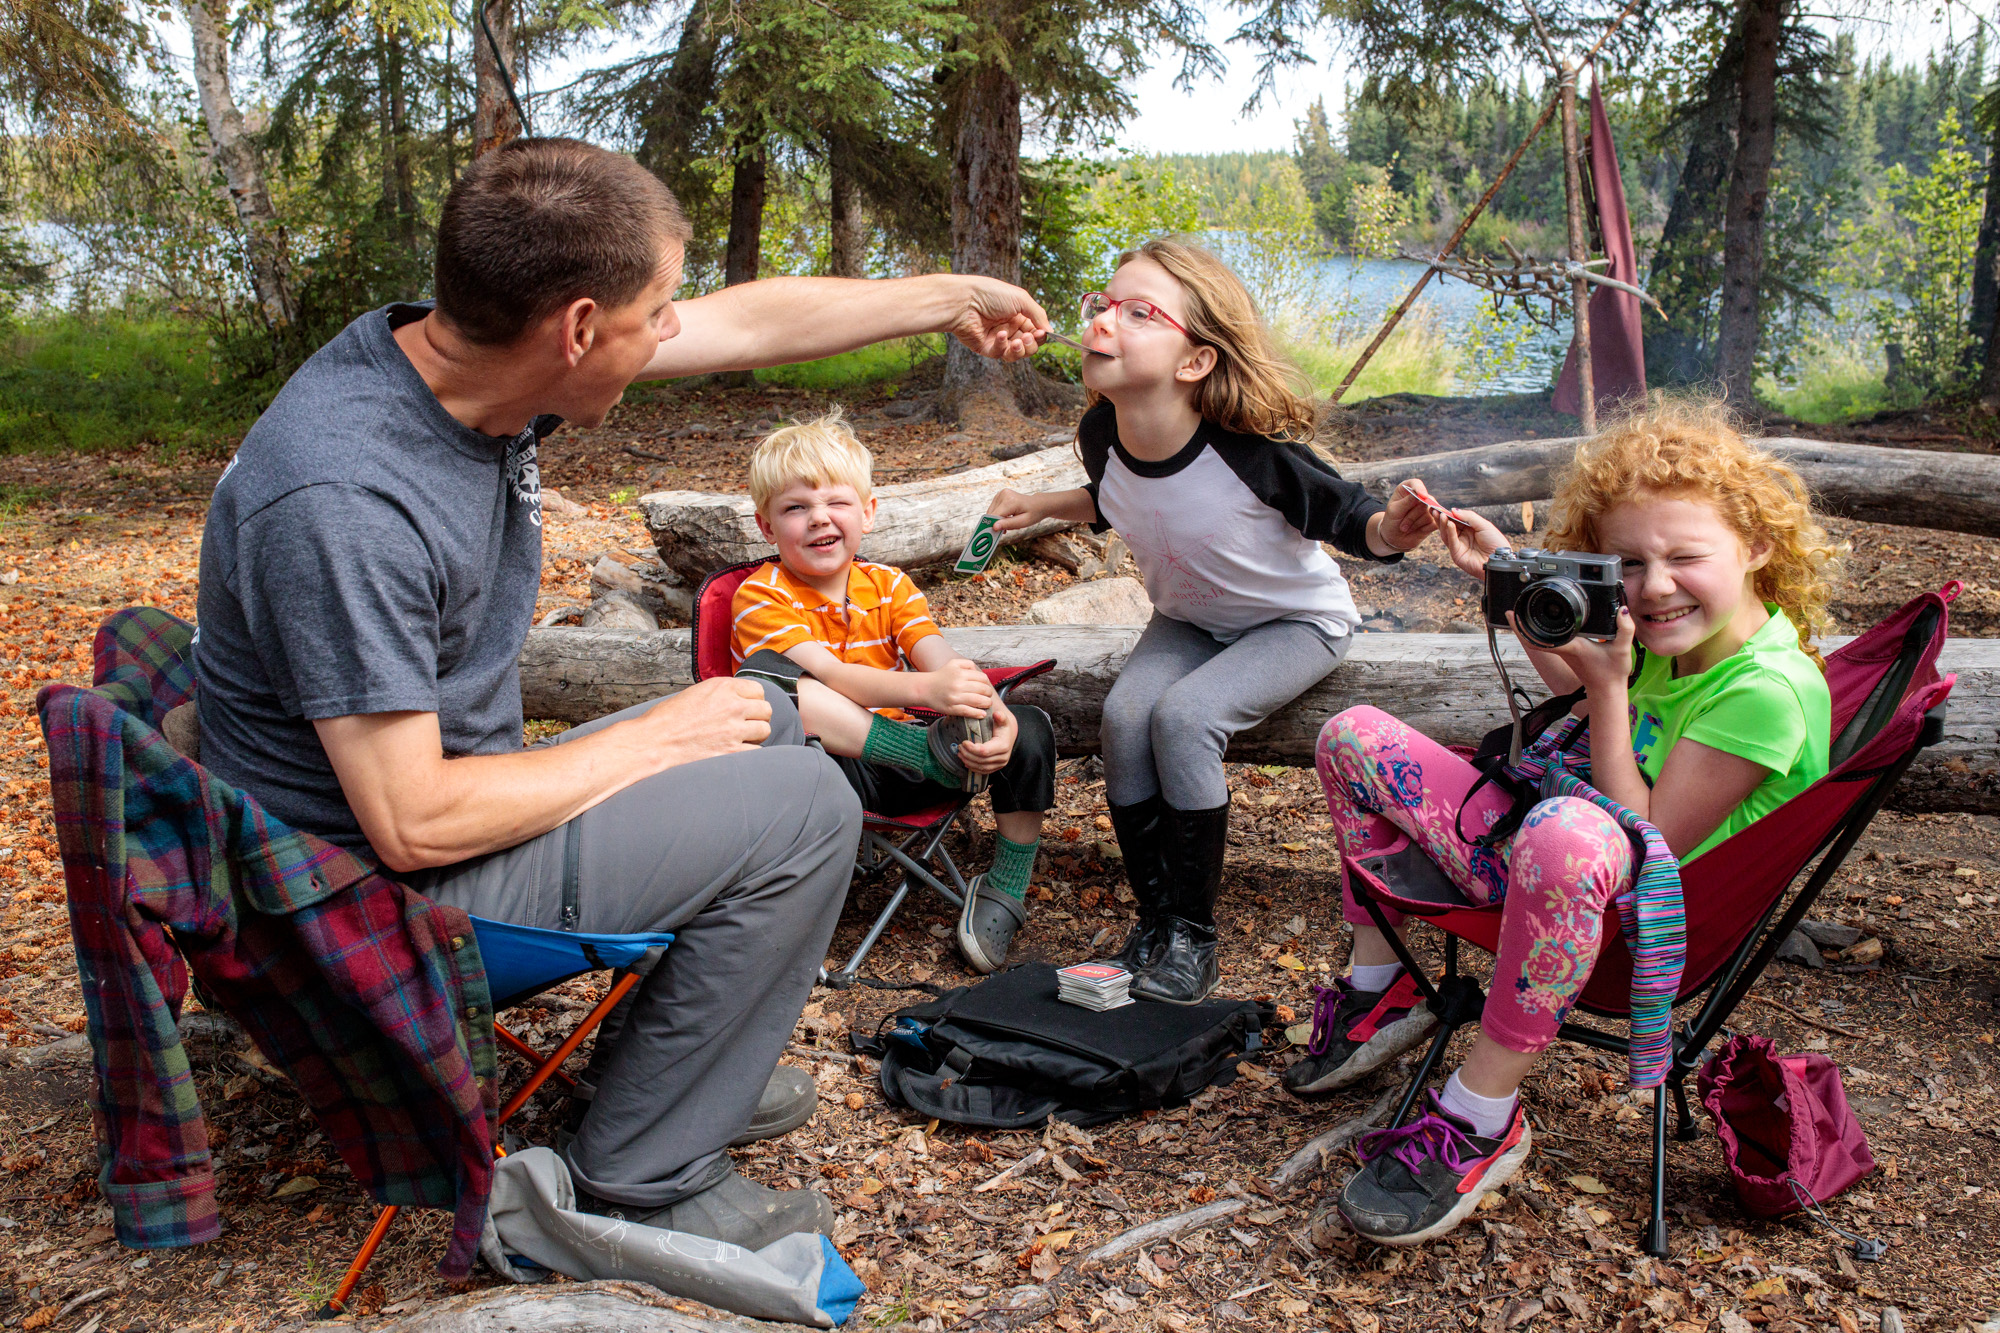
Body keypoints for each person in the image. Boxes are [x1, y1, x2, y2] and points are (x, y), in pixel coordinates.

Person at [192, 137, 1051, 1250]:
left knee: (772, 712)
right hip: (363, 905)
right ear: (580, 330)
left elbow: (751, 321)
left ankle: (671, 1068)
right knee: (807, 804)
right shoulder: (345, 498)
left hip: (417, 831)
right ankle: (644, 1169)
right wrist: (658, 734)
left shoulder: (469, 360)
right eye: (656, 313)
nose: (674, 331)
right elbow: (413, 822)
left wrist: (952, 298)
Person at [1303, 401, 1838, 1245]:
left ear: (1758, 546)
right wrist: (1505, 577)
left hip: (1639, 925)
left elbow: (1646, 830)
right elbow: (1585, 695)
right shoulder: (1683, 641)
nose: (1654, 586)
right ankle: (1380, 990)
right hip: (1556, 858)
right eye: (1629, 563)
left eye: (1685, 556)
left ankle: (1480, 1116)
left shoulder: (1763, 691)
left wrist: (1613, 685)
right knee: (1353, 736)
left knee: (1564, 829)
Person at [985, 237, 1440, 1005]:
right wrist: (1042, 505)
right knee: (1125, 716)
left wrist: (1395, 528)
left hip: (1294, 621)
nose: (1103, 319)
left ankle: (1193, 936)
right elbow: (1123, 496)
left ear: (1196, 360)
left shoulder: (1252, 453)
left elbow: (1351, 518)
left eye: (1139, 312)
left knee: (1184, 717)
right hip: (1191, 617)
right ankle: (1156, 919)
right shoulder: (1104, 435)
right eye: (1103, 304)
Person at [728, 411, 1058, 973]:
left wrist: (991, 710)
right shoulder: (760, 596)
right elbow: (832, 676)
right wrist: (928, 690)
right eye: (795, 508)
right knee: (769, 680)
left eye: (836, 502)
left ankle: (1005, 889)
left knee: (1029, 726)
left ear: (868, 511)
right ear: (766, 526)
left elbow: (939, 657)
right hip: (828, 773)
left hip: (923, 765)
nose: (818, 518)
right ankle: (922, 752)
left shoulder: (889, 585)